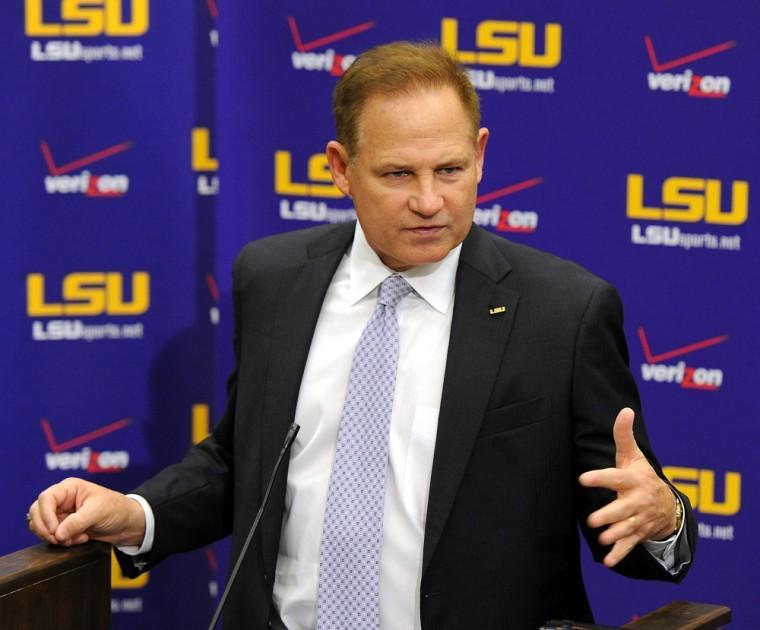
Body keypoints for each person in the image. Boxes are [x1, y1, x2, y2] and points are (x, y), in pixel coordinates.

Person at [28, 42, 695, 630]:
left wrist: (665, 520)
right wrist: (137, 514)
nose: (430, 200)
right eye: (399, 174)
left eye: (452, 170)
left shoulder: (564, 312)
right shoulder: (274, 278)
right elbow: (245, 464)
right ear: (340, 167)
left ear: (482, 155)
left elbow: (631, 525)